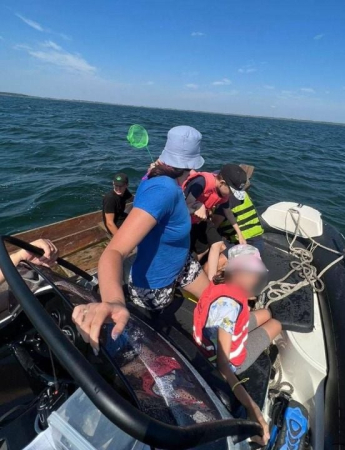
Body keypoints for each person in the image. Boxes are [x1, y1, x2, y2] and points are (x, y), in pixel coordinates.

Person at [72, 125, 209, 354]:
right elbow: (113, 253)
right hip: (157, 282)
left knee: (213, 297)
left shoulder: (156, 179)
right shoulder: (164, 190)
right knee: (155, 336)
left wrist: (186, 209)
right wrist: (114, 301)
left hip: (182, 263)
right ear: (191, 167)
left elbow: (163, 214)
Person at [193, 244, 281, 446]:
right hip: (228, 355)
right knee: (275, 324)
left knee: (266, 313)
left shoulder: (218, 280)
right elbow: (224, 366)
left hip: (223, 328)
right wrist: (252, 408)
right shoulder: (229, 308)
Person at [183, 164, 248, 259]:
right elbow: (185, 206)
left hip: (197, 221)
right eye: (231, 191)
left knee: (208, 247)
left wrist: (240, 234)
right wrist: (198, 207)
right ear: (222, 183)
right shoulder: (202, 182)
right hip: (183, 221)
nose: (231, 195)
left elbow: (228, 212)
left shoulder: (223, 193)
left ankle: (193, 265)